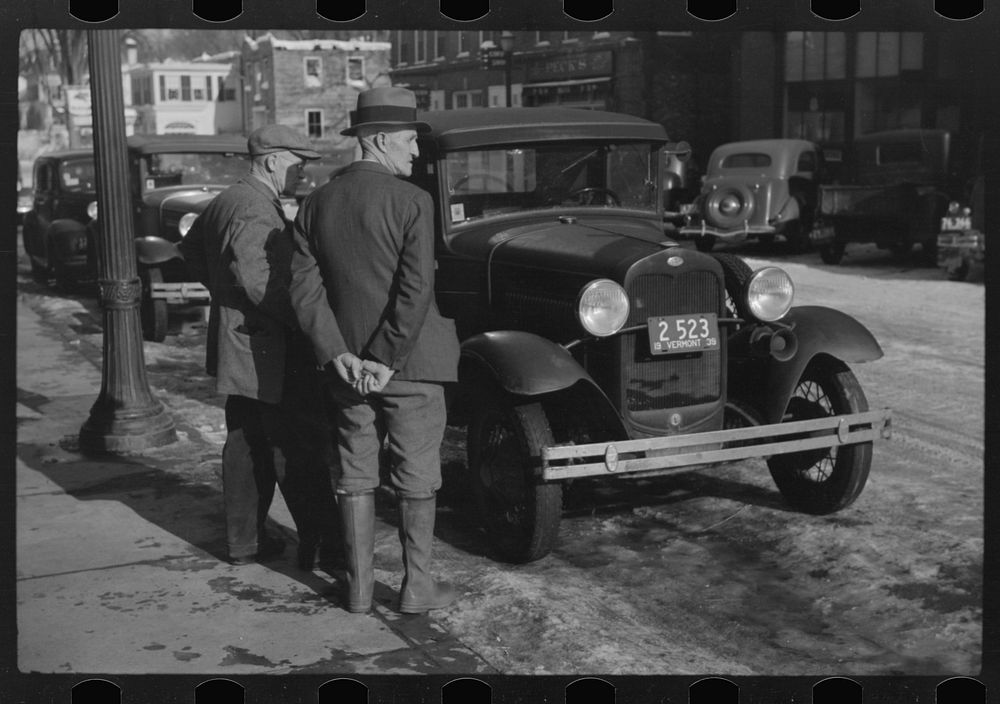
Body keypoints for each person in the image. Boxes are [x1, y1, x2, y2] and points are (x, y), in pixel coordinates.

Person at [290, 87, 461, 614]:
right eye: (410, 141)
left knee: (355, 474)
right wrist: (384, 358)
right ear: (381, 139)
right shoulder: (413, 201)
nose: (415, 153)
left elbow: (304, 288)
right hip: (409, 367)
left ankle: (360, 590)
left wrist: (339, 353)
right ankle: (415, 587)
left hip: (346, 372)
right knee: (416, 475)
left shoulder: (315, 204)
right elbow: (415, 290)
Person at [179, 124, 365, 569]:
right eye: (298, 164)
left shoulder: (230, 198)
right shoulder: (253, 208)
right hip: (270, 351)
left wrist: (227, 299)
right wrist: (307, 322)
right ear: (272, 159)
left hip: (241, 346)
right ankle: (324, 547)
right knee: (298, 445)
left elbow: (190, 251)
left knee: (246, 445)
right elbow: (258, 280)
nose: (302, 173)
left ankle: (244, 542)